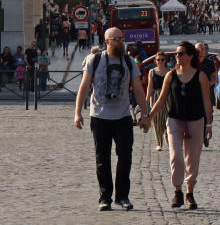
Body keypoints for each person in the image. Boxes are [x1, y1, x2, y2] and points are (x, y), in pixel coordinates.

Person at [73, 26, 150, 212]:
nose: (121, 41)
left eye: (122, 38)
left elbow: (138, 89)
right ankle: (105, 197)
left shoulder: (129, 61)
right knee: (102, 158)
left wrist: (145, 115)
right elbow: (84, 87)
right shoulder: (94, 60)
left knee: (125, 156)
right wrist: (77, 112)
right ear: (107, 41)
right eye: (116, 38)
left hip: (123, 116)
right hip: (100, 116)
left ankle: (122, 196)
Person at [149, 40, 212, 211]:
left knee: (192, 159)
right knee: (176, 156)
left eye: (180, 53)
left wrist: (209, 124)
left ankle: (189, 191)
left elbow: (207, 102)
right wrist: (149, 118)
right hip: (175, 120)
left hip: (196, 121)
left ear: (190, 56)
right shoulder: (171, 75)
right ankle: (177, 190)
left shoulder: (201, 76)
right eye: (176, 54)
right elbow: (161, 99)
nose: (177, 56)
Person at [147, 50, 172, 152]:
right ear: (155, 61)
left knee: (168, 119)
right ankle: (159, 143)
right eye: (158, 60)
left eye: (162, 60)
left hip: (168, 96)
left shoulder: (170, 71)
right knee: (156, 120)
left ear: (165, 60)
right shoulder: (152, 72)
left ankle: (168, 139)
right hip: (156, 95)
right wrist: (146, 100)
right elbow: (149, 87)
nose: (160, 62)